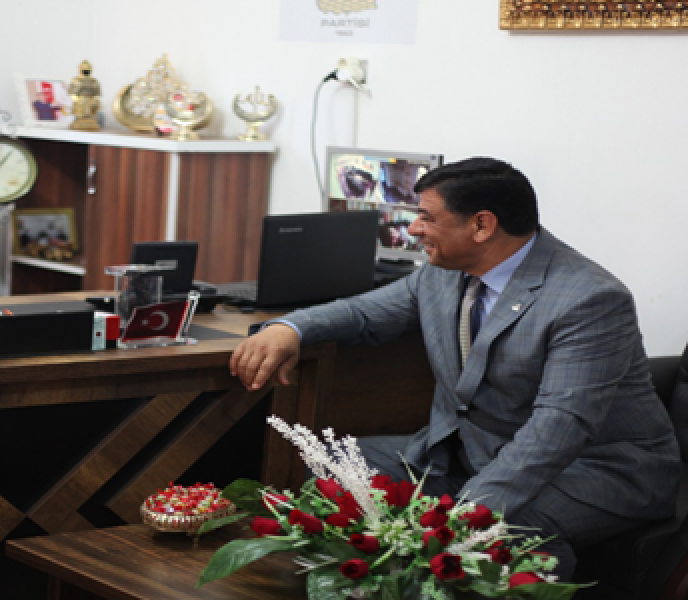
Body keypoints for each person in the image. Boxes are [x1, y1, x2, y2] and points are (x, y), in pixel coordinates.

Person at [230, 157, 679, 581]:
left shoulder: (589, 299)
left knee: (501, 530)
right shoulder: (443, 271)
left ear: (482, 225)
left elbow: (559, 427)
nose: (414, 228)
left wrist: (468, 512)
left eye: (427, 217)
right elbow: (364, 313)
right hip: (471, 451)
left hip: (591, 469)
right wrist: (289, 329)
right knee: (325, 464)